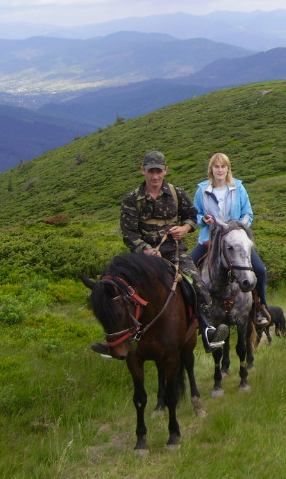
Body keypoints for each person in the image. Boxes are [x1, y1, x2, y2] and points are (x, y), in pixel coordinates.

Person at [90, 151, 229, 355]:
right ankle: (114, 339)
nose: (154, 176)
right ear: (143, 171)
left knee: (198, 284)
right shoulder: (132, 199)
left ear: (165, 170)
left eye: (158, 171)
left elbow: (192, 216)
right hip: (143, 258)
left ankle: (207, 329)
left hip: (173, 251)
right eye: (150, 171)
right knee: (111, 289)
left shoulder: (176, 193)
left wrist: (184, 229)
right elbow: (128, 232)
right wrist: (145, 250)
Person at [191, 153, 270, 326]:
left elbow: (248, 213)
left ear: (228, 169)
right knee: (188, 270)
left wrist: (238, 228)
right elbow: (194, 214)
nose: (220, 170)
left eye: (223, 166)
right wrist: (203, 220)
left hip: (235, 240)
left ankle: (259, 307)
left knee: (260, 270)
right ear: (211, 169)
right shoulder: (202, 190)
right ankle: (194, 313)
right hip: (209, 239)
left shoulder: (239, 188)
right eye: (216, 166)